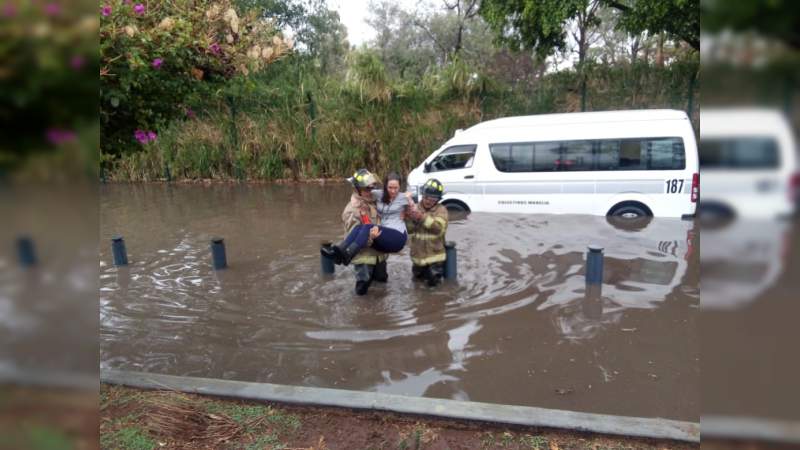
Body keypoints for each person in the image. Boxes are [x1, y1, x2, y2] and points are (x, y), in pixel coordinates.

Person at [323, 171, 415, 267]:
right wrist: (358, 204)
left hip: (397, 236)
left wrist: (409, 204)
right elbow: (359, 195)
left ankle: (347, 255)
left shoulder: (403, 197)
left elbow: (415, 212)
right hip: (374, 246)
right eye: (390, 187)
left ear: (400, 187)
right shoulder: (372, 198)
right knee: (359, 228)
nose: (393, 191)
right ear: (385, 186)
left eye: (396, 188)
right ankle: (339, 252)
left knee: (367, 227)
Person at [405, 178, 449, 287]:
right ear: (423, 195)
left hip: (435, 259)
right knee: (417, 286)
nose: (428, 201)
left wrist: (421, 217)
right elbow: (409, 230)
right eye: (426, 197)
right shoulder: (414, 208)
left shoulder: (442, 210)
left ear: (438, 199)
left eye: (433, 198)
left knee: (434, 290)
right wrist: (409, 219)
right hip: (417, 258)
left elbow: (438, 228)